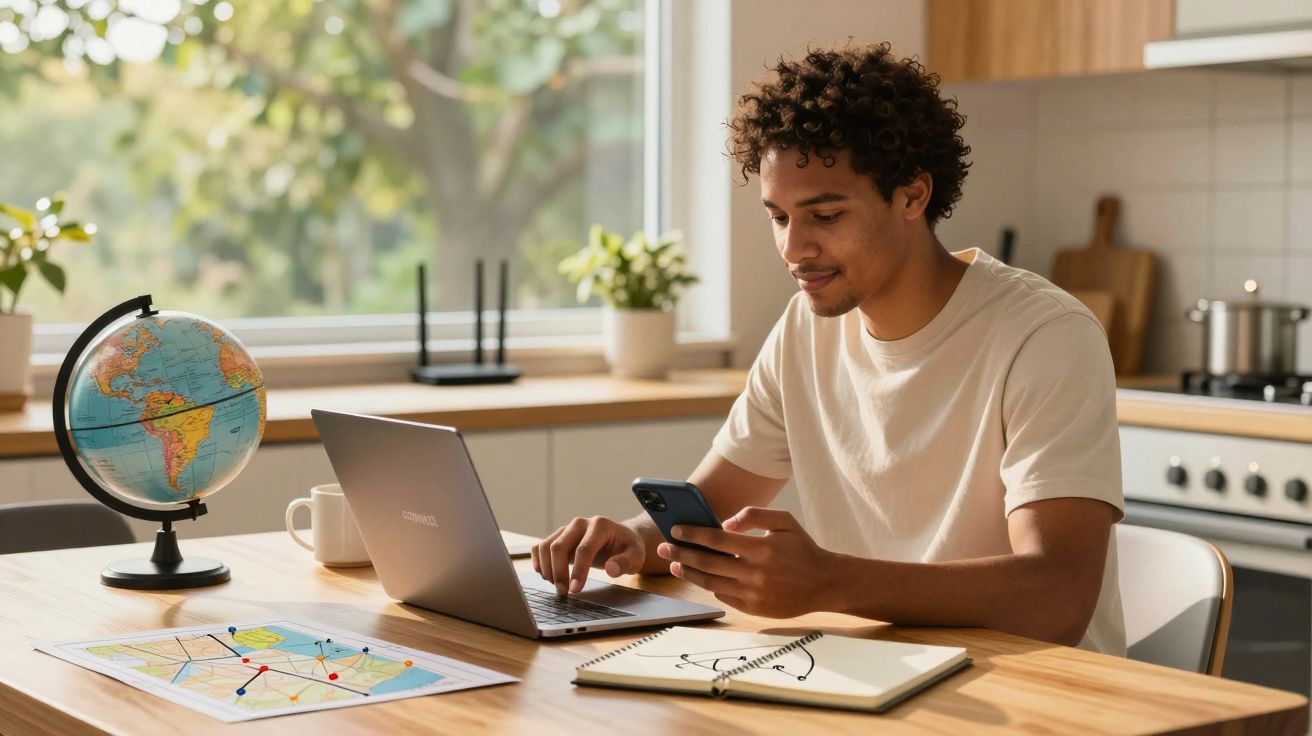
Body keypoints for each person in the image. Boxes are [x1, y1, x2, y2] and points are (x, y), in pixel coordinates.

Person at [531, 43, 1125, 653]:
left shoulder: (1044, 335)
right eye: (779, 217)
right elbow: (705, 512)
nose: (794, 250)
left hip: (1035, 686)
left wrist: (828, 582)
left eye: (826, 215)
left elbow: (1057, 599)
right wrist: (631, 539)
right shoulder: (804, 330)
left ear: (913, 195)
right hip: (875, 671)